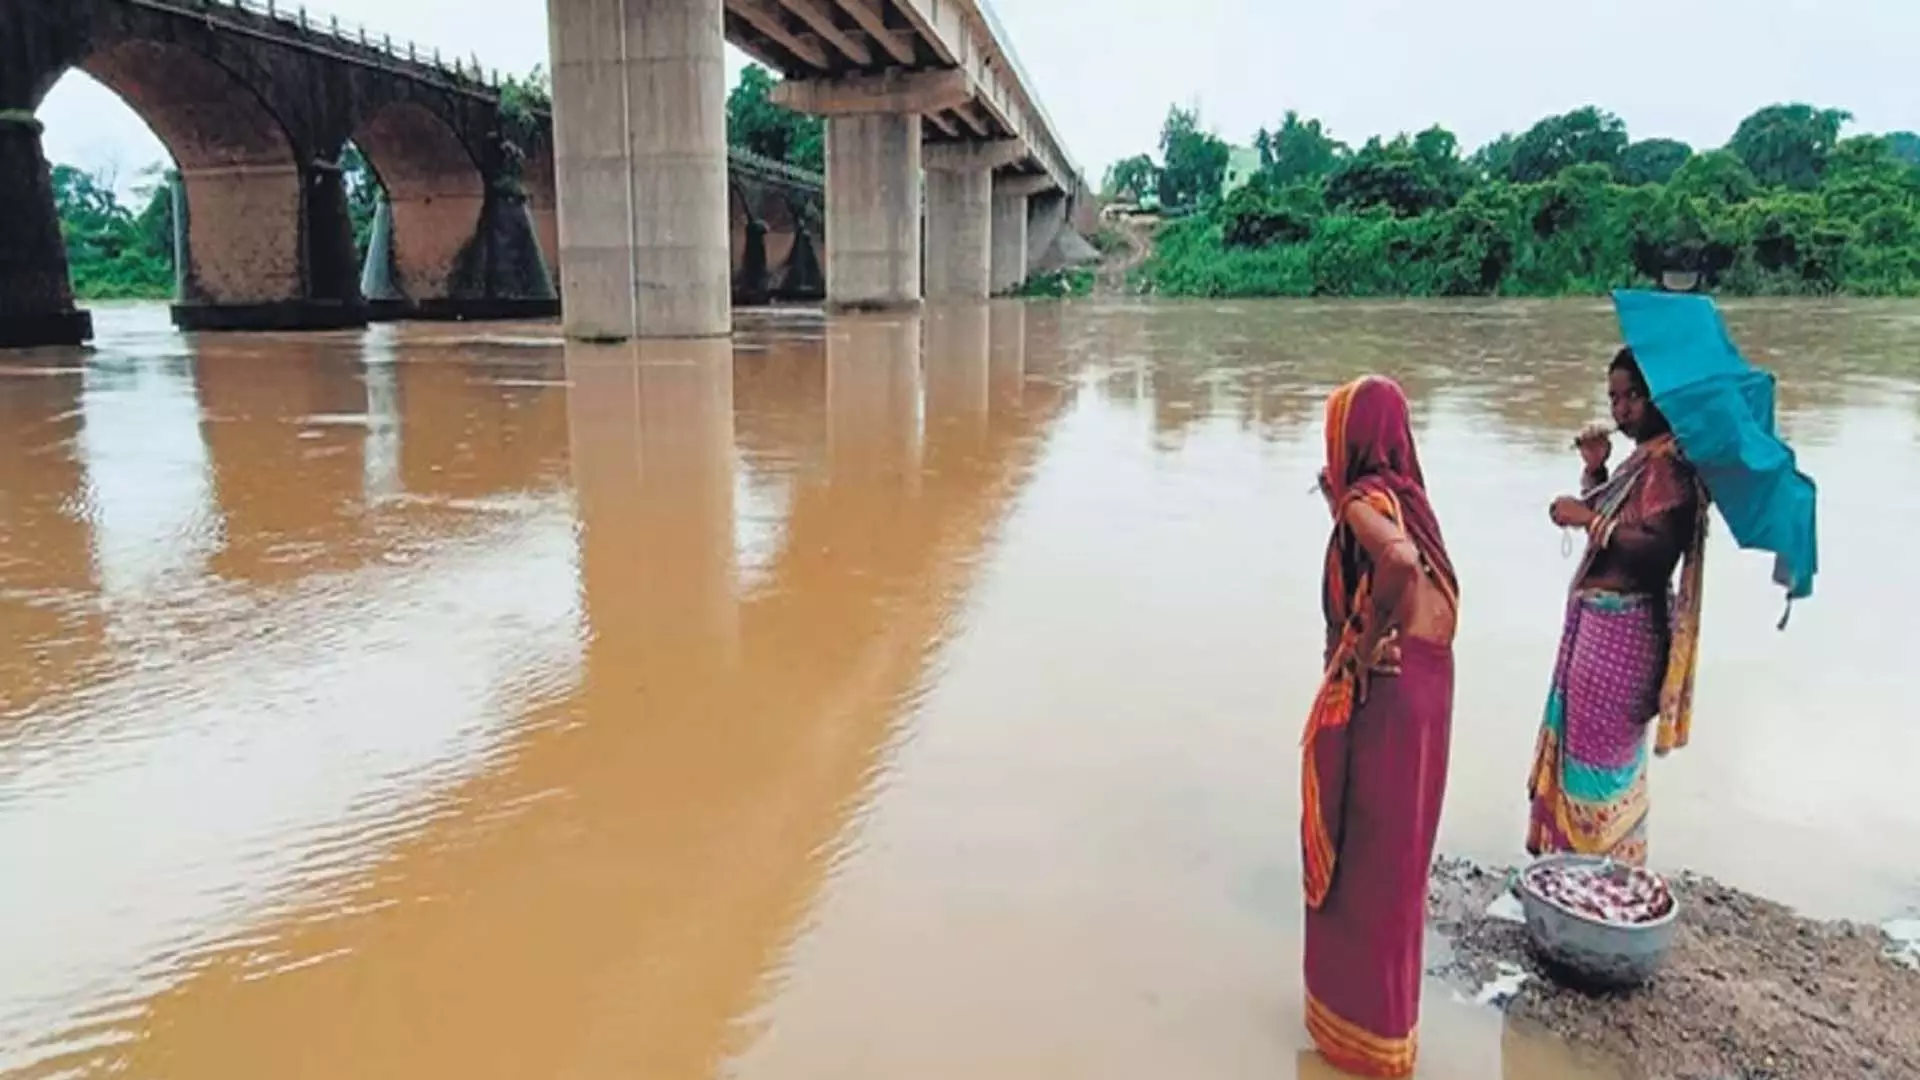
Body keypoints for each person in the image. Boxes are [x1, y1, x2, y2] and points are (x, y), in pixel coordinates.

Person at [1301, 375, 1459, 1079]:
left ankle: (1351, 1043)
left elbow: (1394, 560)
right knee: (1399, 871)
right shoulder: (1413, 500)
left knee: (1358, 864)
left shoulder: (1368, 503)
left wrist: (1362, 644)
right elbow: (1413, 565)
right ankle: (1391, 1037)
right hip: (1429, 693)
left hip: (1386, 699)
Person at [1528, 347, 1709, 867]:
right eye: (1614, 397)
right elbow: (1621, 513)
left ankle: (1597, 874)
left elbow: (1656, 552)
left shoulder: (1672, 465)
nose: (1622, 408)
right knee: (1587, 750)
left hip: (1625, 633)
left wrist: (1588, 518)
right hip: (1602, 626)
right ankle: (1580, 870)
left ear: (1659, 396)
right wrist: (1596, 470)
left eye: (1633, 396)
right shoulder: (1645, 459)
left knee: (1600, 757)